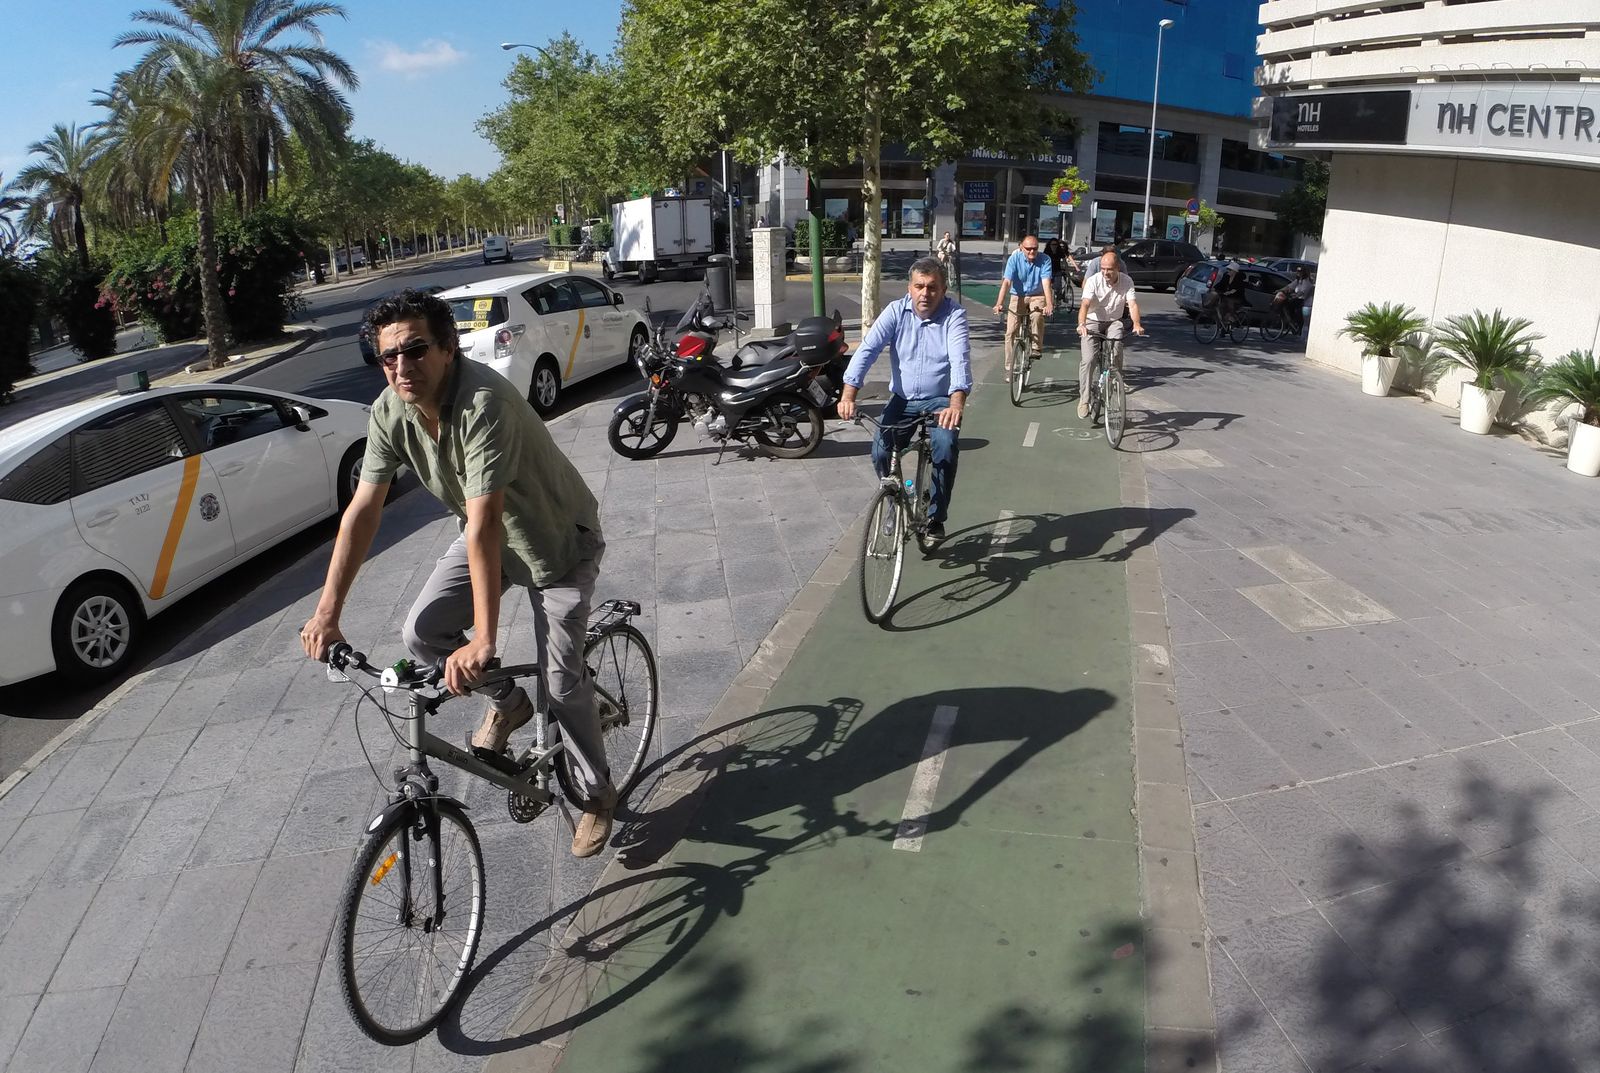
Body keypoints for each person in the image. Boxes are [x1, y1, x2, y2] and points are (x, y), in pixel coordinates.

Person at [298, 289, 618, 859]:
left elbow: (486, 520)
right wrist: (328, 613)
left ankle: (597, 794)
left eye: (415, 350)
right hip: (485, 539)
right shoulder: (389, 411)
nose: (401, 366)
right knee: (422, 633)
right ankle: (510, 703)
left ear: (448, 347)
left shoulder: (483, 403)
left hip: (557, 544)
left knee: (563, 682)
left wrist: (486, 641)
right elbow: (364, 510)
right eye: (388, 356)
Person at [837, 257, 970, 542]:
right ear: (909, 288)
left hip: (940, 401)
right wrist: (849, 394)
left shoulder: (954, 315)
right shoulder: (896, 311)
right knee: (880, 451)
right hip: (902, 399)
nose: (925, 293)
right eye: (919, 286)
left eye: (932, 287)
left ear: (943, 289)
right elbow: (868, 350)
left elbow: (960, 360)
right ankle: (893, 499)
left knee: (945, 447)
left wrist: (956, 403)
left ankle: (936, 517)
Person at [1076, 249, 1147, 419]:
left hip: (1114, 321)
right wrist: (1082, 324)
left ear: (1118, 269)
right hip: (1092, 320)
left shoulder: (1127, 281)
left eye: (1109, 269)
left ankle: (1115, 379)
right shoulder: (1093, 281)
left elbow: (1132, 304)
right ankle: (1084, 399)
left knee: (1116, 347)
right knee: (1089, 360)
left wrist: (1137, 324)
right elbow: (1085, 305)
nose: (1105, 273)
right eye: (1103, 269)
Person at [992, 234, 1054, 379]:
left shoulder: (1045, 260)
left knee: (1037, 315)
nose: (1032, 251)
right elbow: (1007, 282)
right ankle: (1009, 367)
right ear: (1021, 248)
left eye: (1035, 249)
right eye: (1028, 249)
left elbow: (1046, 283)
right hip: (1018, 295)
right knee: (1010, 332)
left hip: (1037, 295)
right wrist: (999, 303)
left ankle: (1036, 347)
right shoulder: (1014, 259)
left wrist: (1049, 304)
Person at [1273, 266, 1314, 334]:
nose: (1298, 273)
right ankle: (1290, 322)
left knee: (1292, 308)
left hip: (1303, 301)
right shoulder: (1298, 280)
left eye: (1300, 271)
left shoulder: (1306, 281)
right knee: (1286, 304)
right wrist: (1280, 290)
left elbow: (1303, 292)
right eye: (1297, 271)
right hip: (1297, 299)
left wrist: (1295, 296)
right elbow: (1289, 286)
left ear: (1304, 273)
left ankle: (1296, 325)